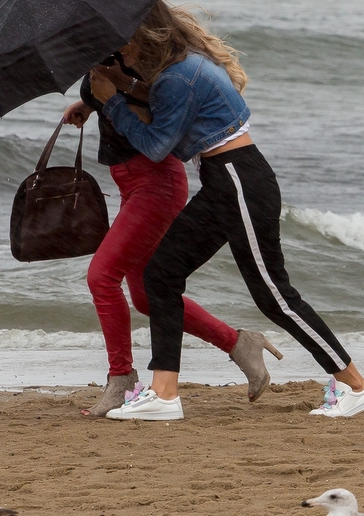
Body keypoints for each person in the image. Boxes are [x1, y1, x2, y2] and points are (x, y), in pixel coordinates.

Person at [88, 0, 364, 421]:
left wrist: (113, 102)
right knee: (161, 275)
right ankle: (164, 395)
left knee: (274, 297)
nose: (122, 53)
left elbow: (156, 147)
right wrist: (122, 87)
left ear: (147, 39)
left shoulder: (176, 78)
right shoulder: (186, 65)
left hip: (238, 179)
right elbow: (174, 119)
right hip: (225, 179)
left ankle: (356, 385)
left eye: (126, 44)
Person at [62, 45, 281, 418]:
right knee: (147, 297)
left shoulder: (135, 57)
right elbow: (123, 100)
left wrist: (111, 95)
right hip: (131, 184)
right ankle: (240, 343)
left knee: (102, 277)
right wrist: (90, 103)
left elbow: (153, 109)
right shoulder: (104, 52)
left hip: (156, 185)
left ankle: (122, 379)